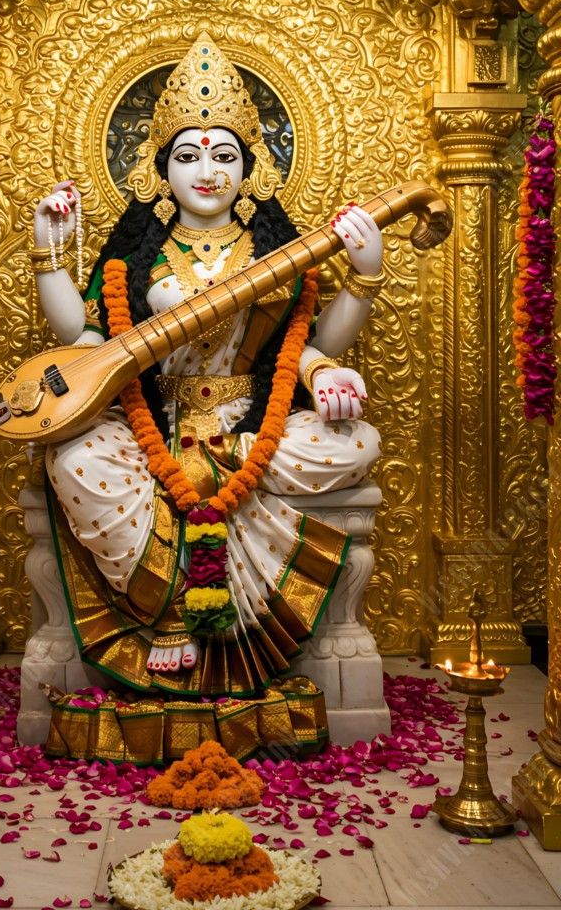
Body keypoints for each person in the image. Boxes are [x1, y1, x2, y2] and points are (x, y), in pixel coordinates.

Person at [31, 34, 383, 698]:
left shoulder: (275, 251)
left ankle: (215, 523)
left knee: (356, 441)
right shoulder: (135, 258)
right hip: (153, 424)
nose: (207, 171)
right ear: (159, 170)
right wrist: (49, 251)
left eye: (225, 155)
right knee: (74, 455)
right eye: (188, 156)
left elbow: (302, 343)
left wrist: (362, 283)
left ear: (252, 170)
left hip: (251, 426)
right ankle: (167, 610)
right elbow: (81, 339)